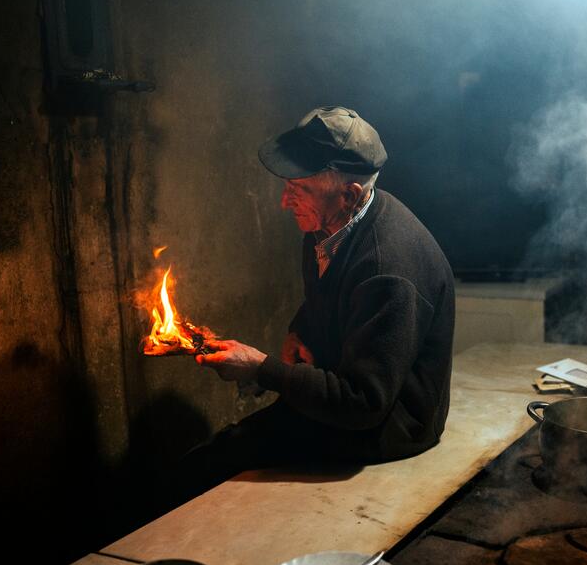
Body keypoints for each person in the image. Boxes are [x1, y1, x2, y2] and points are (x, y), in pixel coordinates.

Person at [185, 106, 455, 490]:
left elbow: (364, 403)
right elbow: (334, 299)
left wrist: (262, 368)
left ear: (349, 194)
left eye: (299, 190)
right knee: (211, 458)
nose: (284, 202)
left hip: (387, 428)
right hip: (341, 403)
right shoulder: (330, 227)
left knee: (213, 466)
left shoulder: (387, 271)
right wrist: (302, 328)